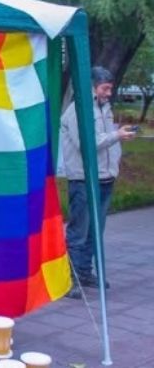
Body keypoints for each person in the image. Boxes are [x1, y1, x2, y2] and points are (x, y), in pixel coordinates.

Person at [59, 67, 137, 298]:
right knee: (79, 231)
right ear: (93, 86)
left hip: (105, 178)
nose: (109, 93)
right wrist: (117, 135)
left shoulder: (105, 109)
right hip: (83, 179)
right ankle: (69, 280)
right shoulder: (77, 110)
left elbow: (105, 140)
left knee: (95, 230)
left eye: (111, 88)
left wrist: (118, 143)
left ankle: (84, 272)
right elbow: (87, 144)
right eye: (105, 88)